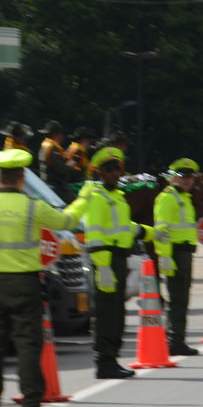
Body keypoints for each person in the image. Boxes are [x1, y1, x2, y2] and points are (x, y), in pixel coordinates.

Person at [0, 149, 73, 407]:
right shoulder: (33, 206)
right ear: (22, 178)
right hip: (25, 284)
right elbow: (65, 221)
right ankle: (31, 406)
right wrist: (84, 200)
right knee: (27, 344)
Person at [65, 146, 142, 379]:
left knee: (117, 313)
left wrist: (148, 232)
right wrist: (104, 266)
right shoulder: (97, 198)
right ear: (98, 172)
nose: (115, 173)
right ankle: (104, 362)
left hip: (119, 259)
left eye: (117, 168)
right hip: (105, 261)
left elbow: (124, 227)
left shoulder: (117, 197)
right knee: (106, 314)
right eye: (108, 169)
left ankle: (113, 359)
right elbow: (95, 234)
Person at [153, 159, 201, 354]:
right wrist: (164, 256)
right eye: (183, 177)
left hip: (185, 253)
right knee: (177, 298)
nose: (188, 181)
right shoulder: (167, 198)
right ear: (173, 178)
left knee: (182, 298)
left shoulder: (185, 198)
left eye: (190, 177)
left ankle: (177, 339)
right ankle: (174, 341)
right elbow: (161, 229)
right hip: (174, 253)